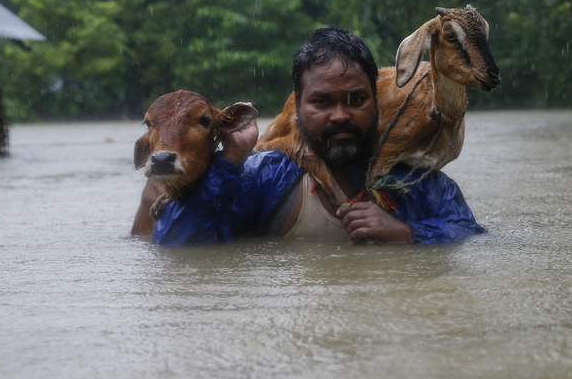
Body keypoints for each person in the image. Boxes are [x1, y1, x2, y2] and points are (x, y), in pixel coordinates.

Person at [153, 26, 485, 246]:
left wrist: (408, 233)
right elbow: (178, 247)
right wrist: (229, 161)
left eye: (356, 99)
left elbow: (473, 237)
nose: (340, 115)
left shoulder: (420, 184)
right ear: (297, 108)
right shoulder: (264, 178)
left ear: (376, 103)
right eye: (322, 102)